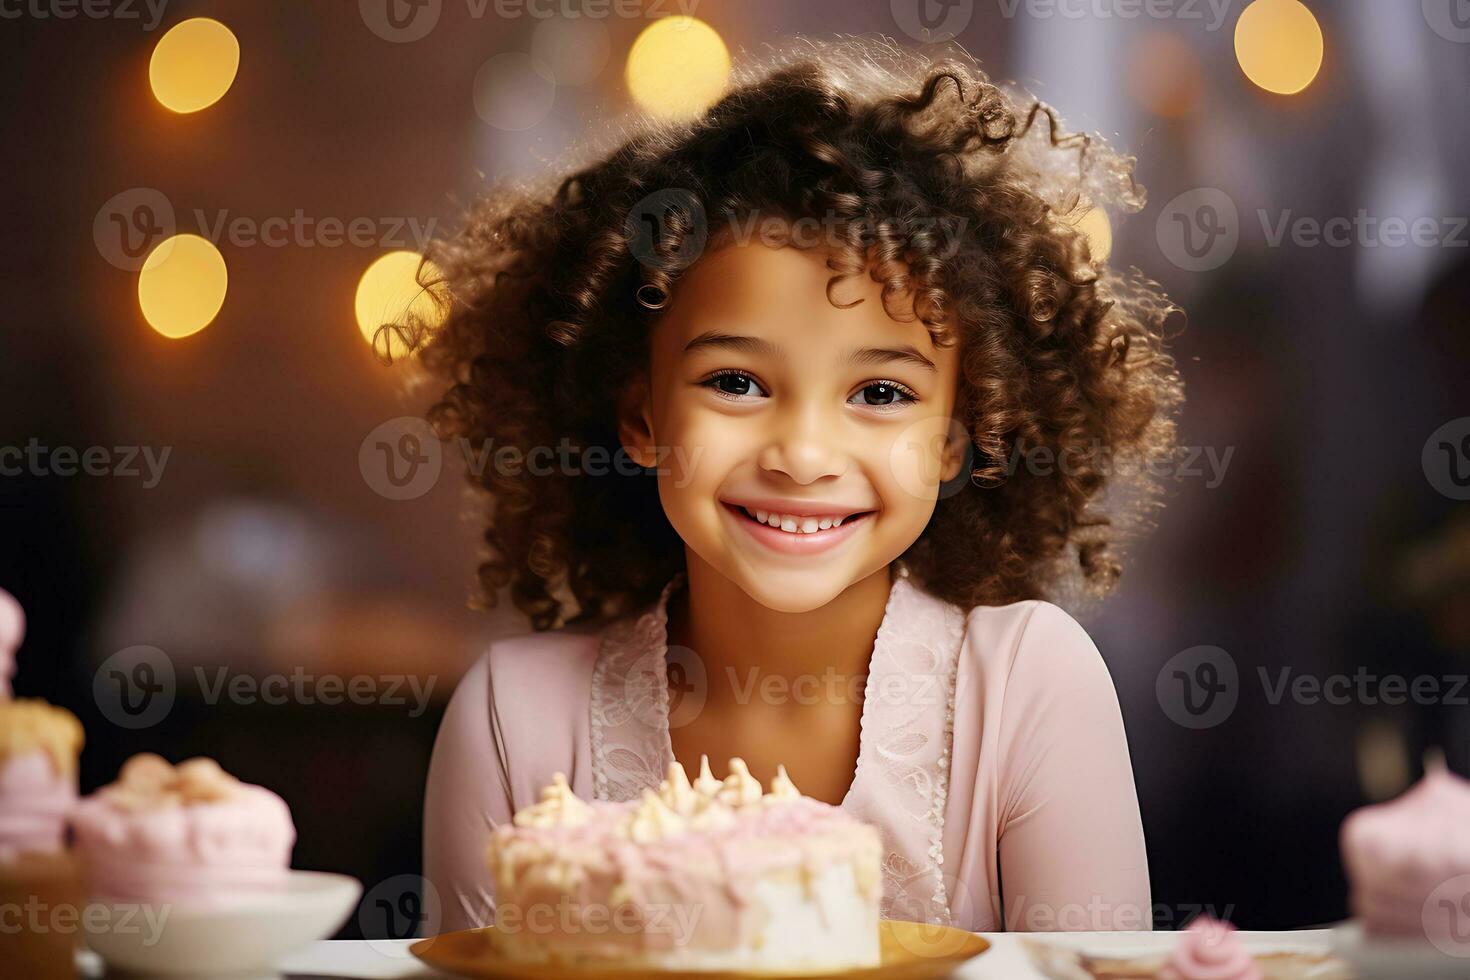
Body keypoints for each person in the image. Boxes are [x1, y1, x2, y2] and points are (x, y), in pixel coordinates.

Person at [410, 38, 1182, 935]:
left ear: (956, 436)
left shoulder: (1026, 688)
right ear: (643, 416)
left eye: (882, 394)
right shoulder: (514, 723)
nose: (804, 454)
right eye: (736, 382)